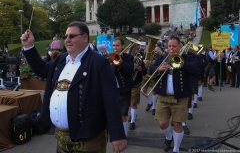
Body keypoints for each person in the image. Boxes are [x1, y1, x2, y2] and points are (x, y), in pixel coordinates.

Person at [20, 21, 127, 153]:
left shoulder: (99, 63)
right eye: (65, 37)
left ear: (85, 37)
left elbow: (111, 100)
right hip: (61, 138)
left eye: (72, 36)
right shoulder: (61, 60)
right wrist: (29, 47)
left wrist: (117, 134)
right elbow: (42, 70)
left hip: (88, 139)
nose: (67, 40)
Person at [150, 37, 199, 153]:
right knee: (162, 124)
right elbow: (150, 70)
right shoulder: (162, 57)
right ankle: (168, 137)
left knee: (178, 123)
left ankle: (176, 149)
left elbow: (196, 70)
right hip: (163, 97)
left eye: (174, 46)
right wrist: (158, 69)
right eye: (169, 46)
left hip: (180, 97)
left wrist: (181, 62)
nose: (171, 49)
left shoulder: (188, 58)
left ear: (180, 47)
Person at [112, 37, 135, 137]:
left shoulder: (129, 57)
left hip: (124, 88)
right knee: (114, 114)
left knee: (123, 114)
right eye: (113, 45)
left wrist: (121, 61)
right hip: (113, 89)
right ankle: (116, 133)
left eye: (117, 45)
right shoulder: (110, 56)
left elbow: (130, 71)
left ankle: (124, 135)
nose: (115, 48)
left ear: (122, 46)